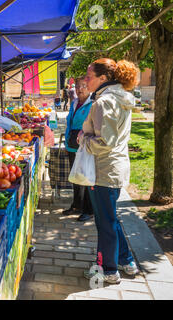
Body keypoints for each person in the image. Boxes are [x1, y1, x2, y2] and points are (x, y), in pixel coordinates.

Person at [79, 58, 140, 284]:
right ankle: (126, 260)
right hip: (114, 167)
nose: (86, 80)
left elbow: (105, 141)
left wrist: (83, 138)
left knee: (105, 222)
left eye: (89, 76)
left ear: (103, 78)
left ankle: (108, 270)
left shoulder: (104, 102)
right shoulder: (119, 98)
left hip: (103, 169)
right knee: (110, 219)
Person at [63, 76, 94, 222]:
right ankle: (76, 205)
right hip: (72, 144)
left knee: (86, 177)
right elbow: (70, 121)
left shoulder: (93, 104)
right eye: (77, 86)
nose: (79, 89)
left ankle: (88, 209)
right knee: (75, 176)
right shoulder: (74, 102)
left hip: (85, 145)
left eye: (83, 86)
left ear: (89, 88)